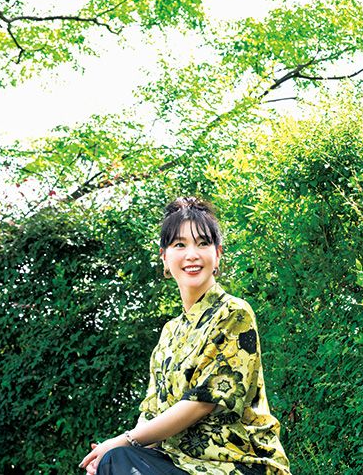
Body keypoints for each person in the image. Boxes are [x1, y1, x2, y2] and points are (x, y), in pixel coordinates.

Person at [79, 197, 290, 475]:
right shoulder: (170, 332)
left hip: (237, 463)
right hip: (179, 463)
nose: (192, 254)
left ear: (217, 255)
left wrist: (123, 441)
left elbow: (202, 403)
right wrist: (109, 455)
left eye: (202, 243)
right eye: (180, 245)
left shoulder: (233, 313)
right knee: (114, 460)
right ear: (164, 257)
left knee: (118, 454)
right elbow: (152, 417)